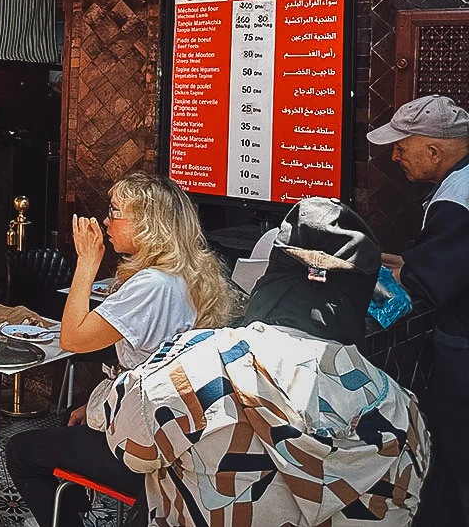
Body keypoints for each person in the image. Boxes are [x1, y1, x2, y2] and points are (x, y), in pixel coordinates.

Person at [99, 197, 429, 524]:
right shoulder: (404, 414)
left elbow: (130, 446)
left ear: (267, 281)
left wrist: (103, 396)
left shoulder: (195, 367)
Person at [6, 173, 233, 527]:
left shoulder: (152, 285)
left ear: (147, 224)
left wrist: (86, 262)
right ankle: (78, 503)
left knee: (20, 451)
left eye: (115, 212)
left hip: (151, 453)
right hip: (179, 432)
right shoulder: (188, 273)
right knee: (71, 412)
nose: (107, 222)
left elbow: (73, 339)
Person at [368, 94, 469, 518]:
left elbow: (433, 279)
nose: (394, 155)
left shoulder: (457, 198)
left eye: (401, 145)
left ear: (433, 149)